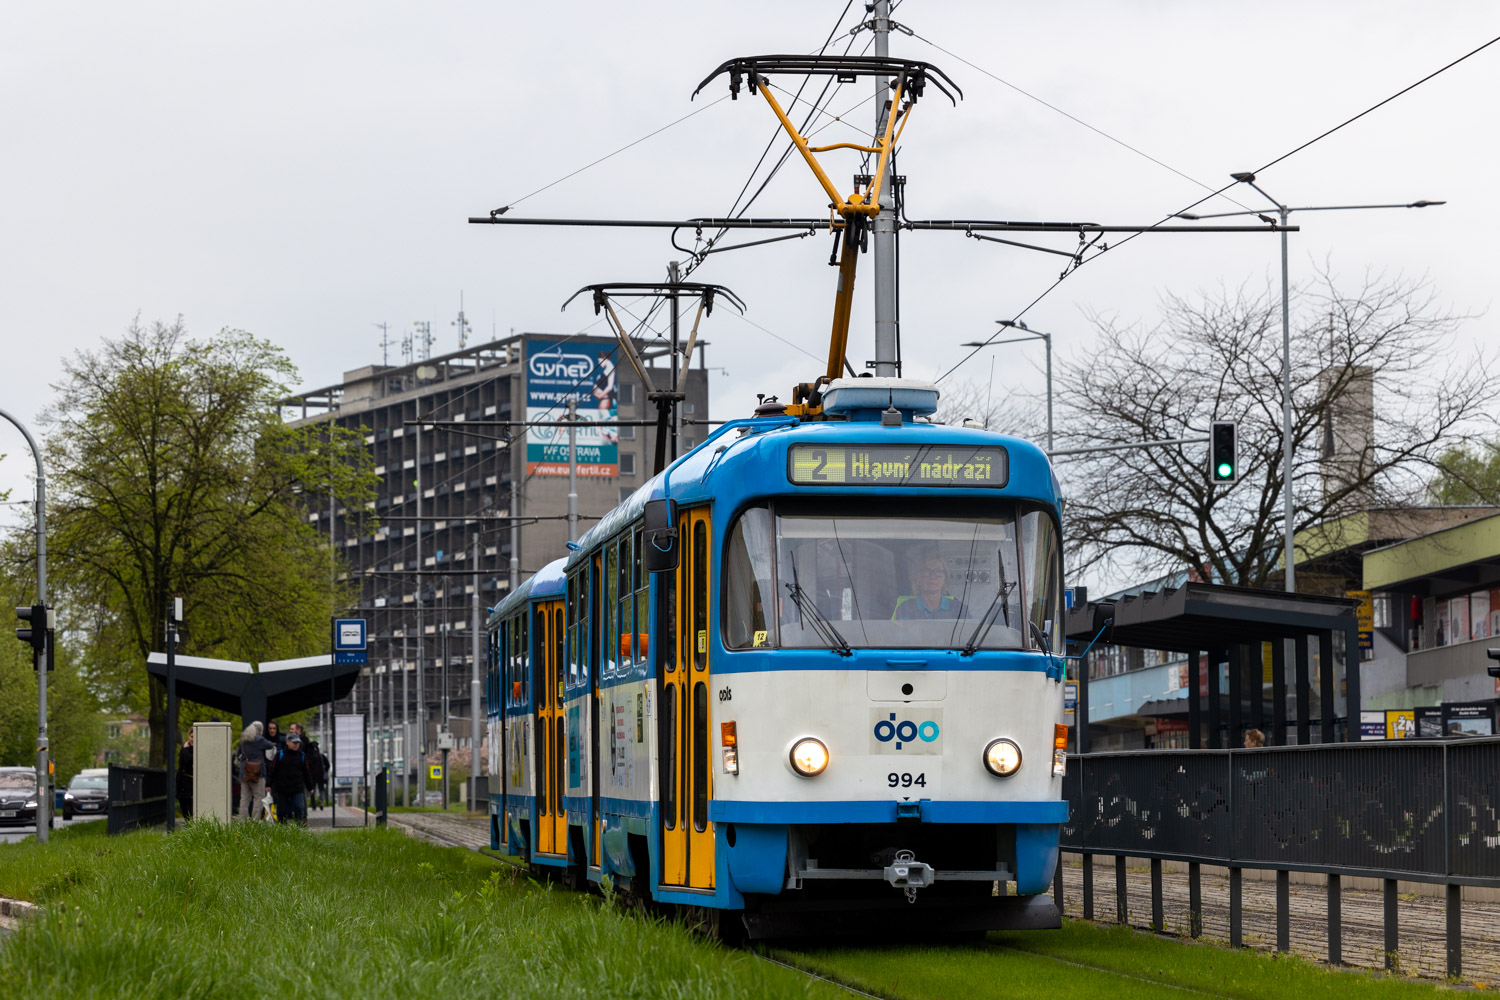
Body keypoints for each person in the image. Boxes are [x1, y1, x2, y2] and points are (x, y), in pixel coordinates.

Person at [892, 556, 968, 620]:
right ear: (917, 579)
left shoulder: (959, 609)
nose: (932, 576)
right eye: (926, 571)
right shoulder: (906, 608)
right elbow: (901, 635)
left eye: (938, 571)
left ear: (945, 579)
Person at [237, 722, 277, 821]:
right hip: (257, 773)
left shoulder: (244, 740)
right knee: (258, 798)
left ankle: (243, 822)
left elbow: (239, 754)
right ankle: (255, 822)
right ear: (260, 730)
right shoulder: (259, 739)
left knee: (244, 799)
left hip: (244, 772)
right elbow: (270, 745)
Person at [270, 731, 312, 824]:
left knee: (298, 808)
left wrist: (310, 787)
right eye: (294, 742)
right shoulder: (280, 754)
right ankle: (281, 829)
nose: (296, 745)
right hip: (282, 788)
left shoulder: (302, 756)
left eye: (298, 743)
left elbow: (306, 772)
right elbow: (273, 770)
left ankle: (297, 829)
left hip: (297, 787)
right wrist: (269, 784)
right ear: (287, 742)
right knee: (282, 811)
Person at [591, 350, 617, 444]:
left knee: (605, 415)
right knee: (604, 416)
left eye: (599, 361)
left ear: (604, 359)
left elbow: (610, 386)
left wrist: (601, 395)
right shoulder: (607, 369)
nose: (599, 363)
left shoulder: (610, 369)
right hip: (603, 398)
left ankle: (611, 431)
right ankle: (609, 430)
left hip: (605, 399)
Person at [177, 730, 194, 820]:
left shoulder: (186, 749)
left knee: (191, 808)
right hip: (183, 782)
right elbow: (181, 764)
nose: (193, 739)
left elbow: (190, 760)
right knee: (184, 806)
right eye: (191, 737)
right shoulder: (185, 748)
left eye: (195, 737)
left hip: (192, 782)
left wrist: (185, 750)